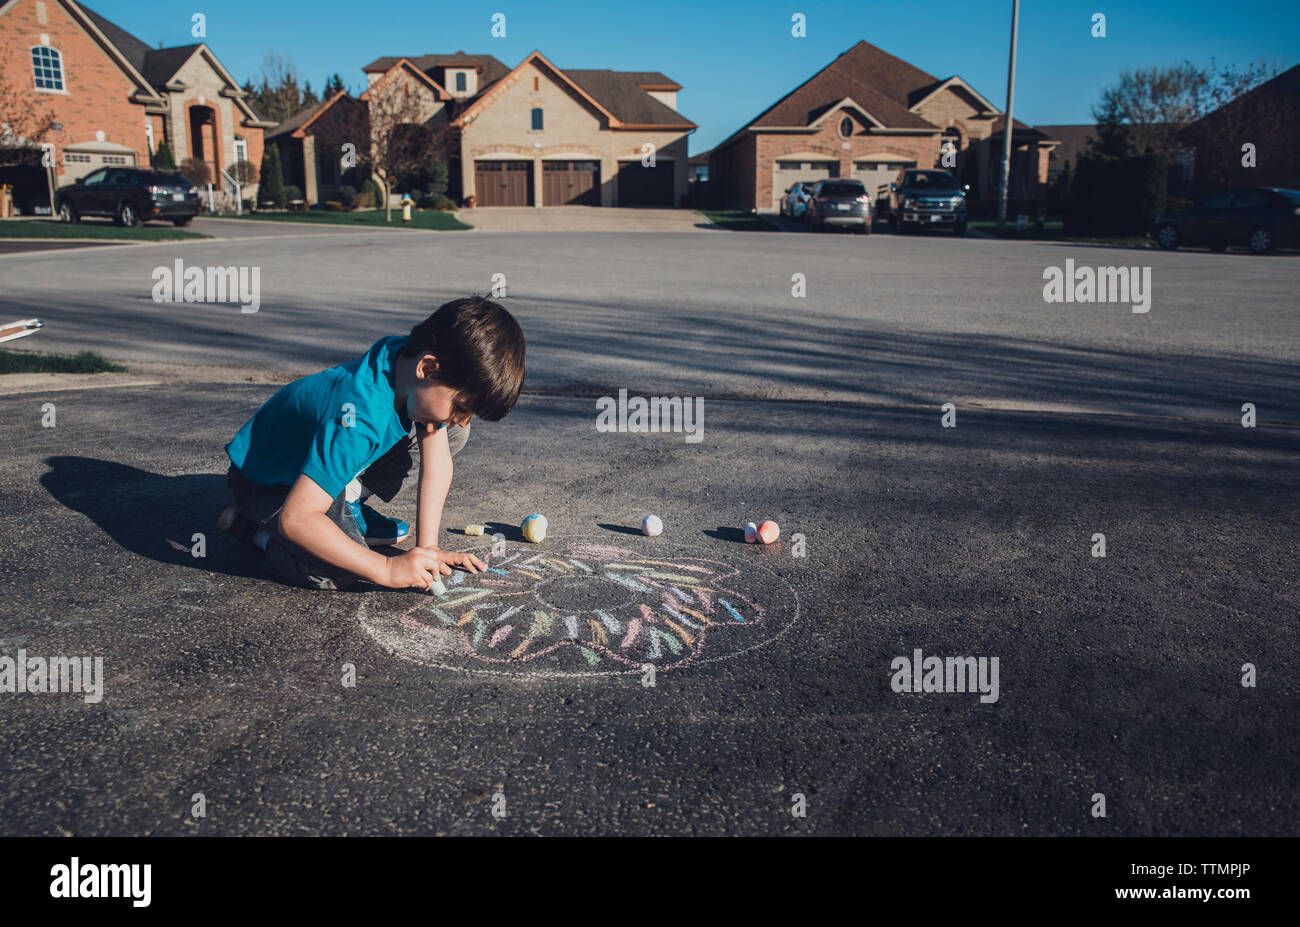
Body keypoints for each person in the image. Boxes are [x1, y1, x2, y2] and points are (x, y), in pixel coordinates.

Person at [217, 296, 525, 591]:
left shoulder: (407, 365)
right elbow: (297, 518)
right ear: (428, 368)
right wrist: (386, 569)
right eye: (462, 407)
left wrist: (428, 549)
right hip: (269, 484)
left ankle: (346, 504)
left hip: (315, 465)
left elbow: (438, 463)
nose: (463, 418)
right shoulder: (359, 414)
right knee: (341, 570)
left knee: (450, 432)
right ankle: (253, 529)